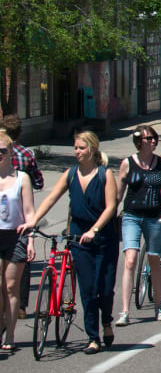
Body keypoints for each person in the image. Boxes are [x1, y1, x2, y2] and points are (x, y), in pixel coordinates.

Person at [20, 132, 119, 354]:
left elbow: (111, 207)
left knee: (104, 289)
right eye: (75, 148)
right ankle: (93, 337)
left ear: (92, 150)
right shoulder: (71, 174)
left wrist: (94, 230)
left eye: (81, 148)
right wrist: (33, 222)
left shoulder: (105, 175)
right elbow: (51, 198)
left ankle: (107, 322)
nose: (77, 152)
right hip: (78, 238)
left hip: (103, 238)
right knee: (88, 289)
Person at [114, 125, 161, 326]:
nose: (152, 142)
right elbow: (117, 195)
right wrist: (107, 215)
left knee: (154, 259)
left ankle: (158, 307)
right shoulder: (127, 163)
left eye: (154, 138)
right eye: (148, 138)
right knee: (130, 261)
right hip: (132, 215)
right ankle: (124, 311)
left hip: (154, 217)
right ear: (138, 141)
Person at [2, 114, 43, 320]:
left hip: (13, 218)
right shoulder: (26, 153)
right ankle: (21, 306)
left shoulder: (11, 156)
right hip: (19, 211)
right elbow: (39, 181)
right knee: (22, 269)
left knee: (11, 273)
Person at [0, 131, 35, 351]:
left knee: (11, 287)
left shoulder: (22, 178)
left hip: (15, 236)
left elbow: (29, 213)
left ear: (11, 151)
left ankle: (10, 336)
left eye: (2, 151)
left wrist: (30, 240)